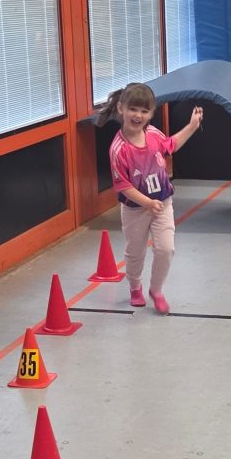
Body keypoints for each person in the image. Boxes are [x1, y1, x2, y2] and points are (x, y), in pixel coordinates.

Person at [96, 82, 203, 314]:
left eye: (144, 111)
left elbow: (171, 145)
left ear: (151, 114)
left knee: (166, 249)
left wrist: (192, 126)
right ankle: (135, 286)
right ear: (121, 108)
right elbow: (123, 186)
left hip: (162, 203)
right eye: (133, 109)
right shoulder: (119, 149)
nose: (138, 115)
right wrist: (146, 202)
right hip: (136, 209)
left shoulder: (153, 134)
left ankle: (156, 290)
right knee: (135, 252)